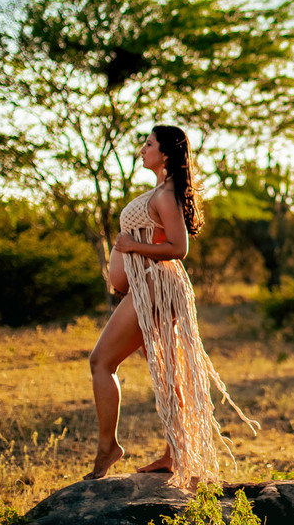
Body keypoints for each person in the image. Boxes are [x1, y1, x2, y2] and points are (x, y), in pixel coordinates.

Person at [85, 124, 257, 487]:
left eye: (148, 144)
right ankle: (174, 453)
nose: (142, 149)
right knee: (166, 373)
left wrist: (132, 249)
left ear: (165, 153)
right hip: (147, 288)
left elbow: (178, 249)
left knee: (101, 361)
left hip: (155, 289)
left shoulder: (166, 195)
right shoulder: (160, 192)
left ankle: (108, 448)